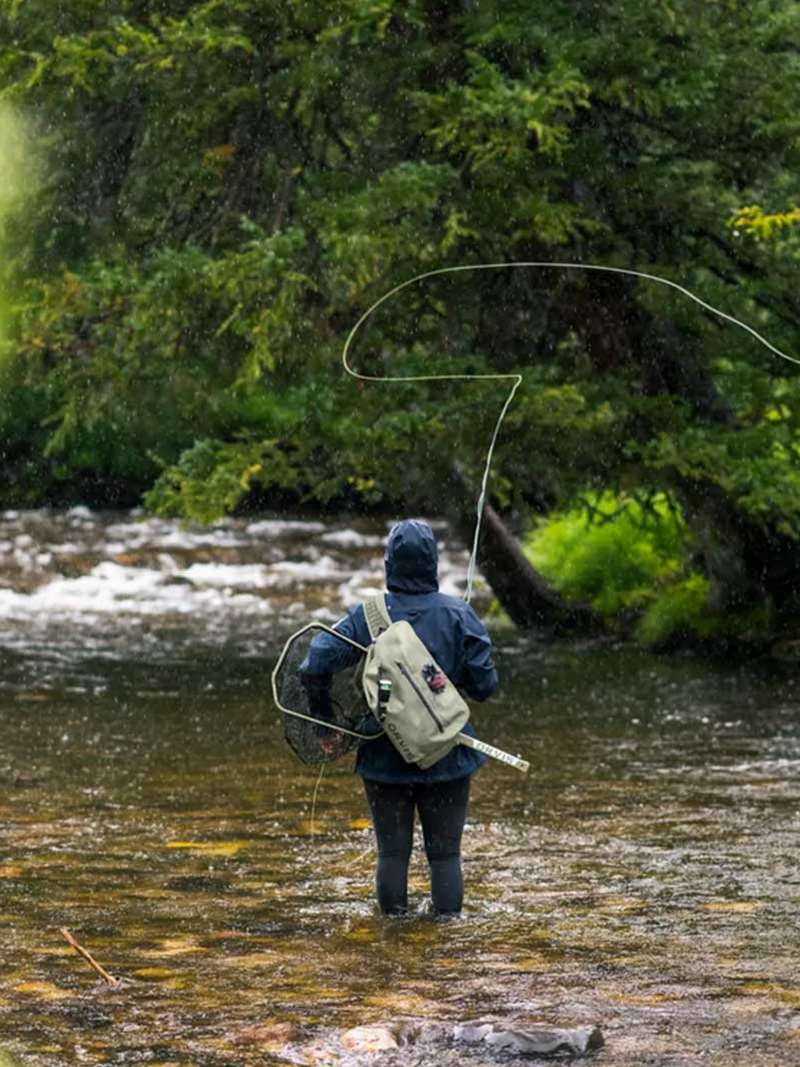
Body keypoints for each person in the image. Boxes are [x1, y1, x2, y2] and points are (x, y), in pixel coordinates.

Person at [300, 519, 498, 916]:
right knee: (445, 857)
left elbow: (313, 664)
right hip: (447, 753)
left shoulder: (367, 615)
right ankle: (447, 941)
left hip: (383, 754)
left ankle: (392, 935)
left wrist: (325, 721)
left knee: (392, 853)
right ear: (434, 564)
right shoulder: (460, 615)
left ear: (389, 564)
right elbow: (485, 688)